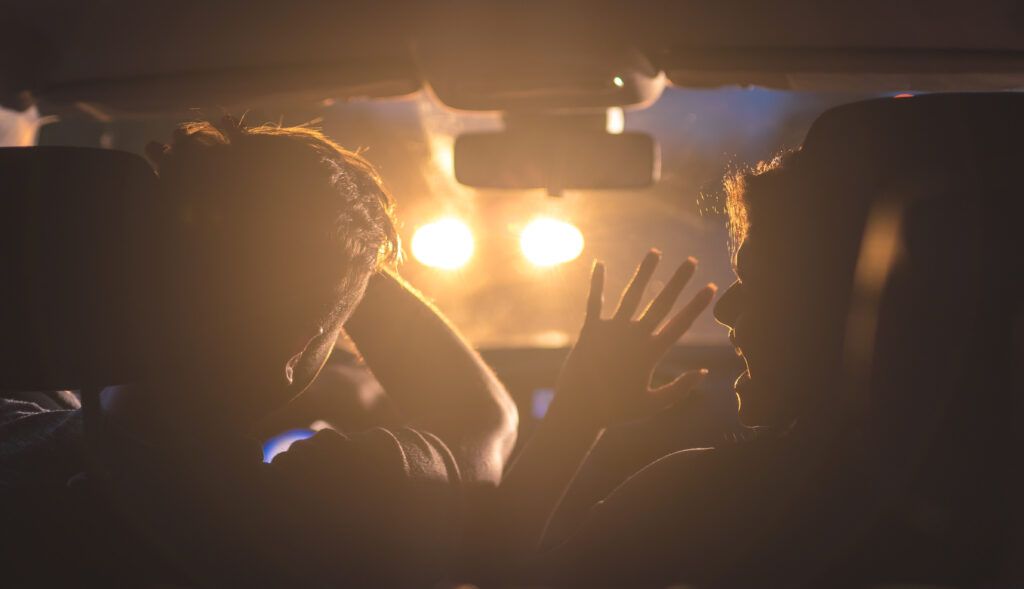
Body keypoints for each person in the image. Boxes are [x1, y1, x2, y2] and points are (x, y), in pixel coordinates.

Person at [485, 93, 1022, 586]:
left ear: (855, 303)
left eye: (761, 278)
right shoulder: (992, 507)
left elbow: (491, 578)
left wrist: (577, 415)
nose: (725, 308)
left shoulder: (705, 502)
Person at [0, 117, 518, 587]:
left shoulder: (17, 451)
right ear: (295, 348)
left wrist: (200, 213)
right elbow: (483, 418)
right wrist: (341, 256)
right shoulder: (316, 522)